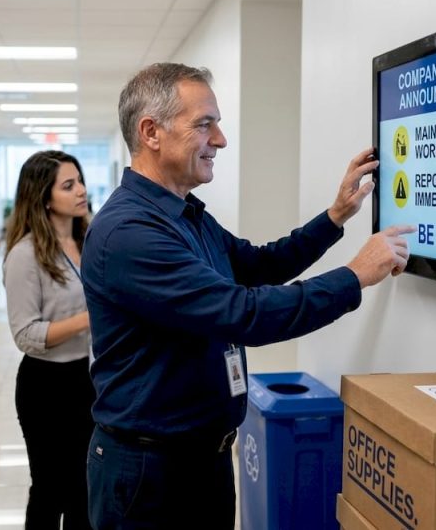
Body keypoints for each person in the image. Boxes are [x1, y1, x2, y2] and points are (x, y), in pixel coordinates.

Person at [81, 63, 415, 529]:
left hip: (203, 459)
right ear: (151, 132)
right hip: (150, 475)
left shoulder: (185, 215)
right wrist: (355, 275)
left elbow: (258, 266)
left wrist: (334, 217)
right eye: (204, 124)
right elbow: (245, 314)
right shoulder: (130, 232)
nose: (220, 139)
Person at [3, 151, 94, 530]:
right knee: (50, 489)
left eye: (80, 181)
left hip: (89, 380)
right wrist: (88, 318)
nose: (81, 191)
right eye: (68, 185)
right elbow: (26, 335)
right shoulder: (25, 255)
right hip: (46, 387)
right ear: (43, 196)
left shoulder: (90, 241)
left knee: (84, 490)